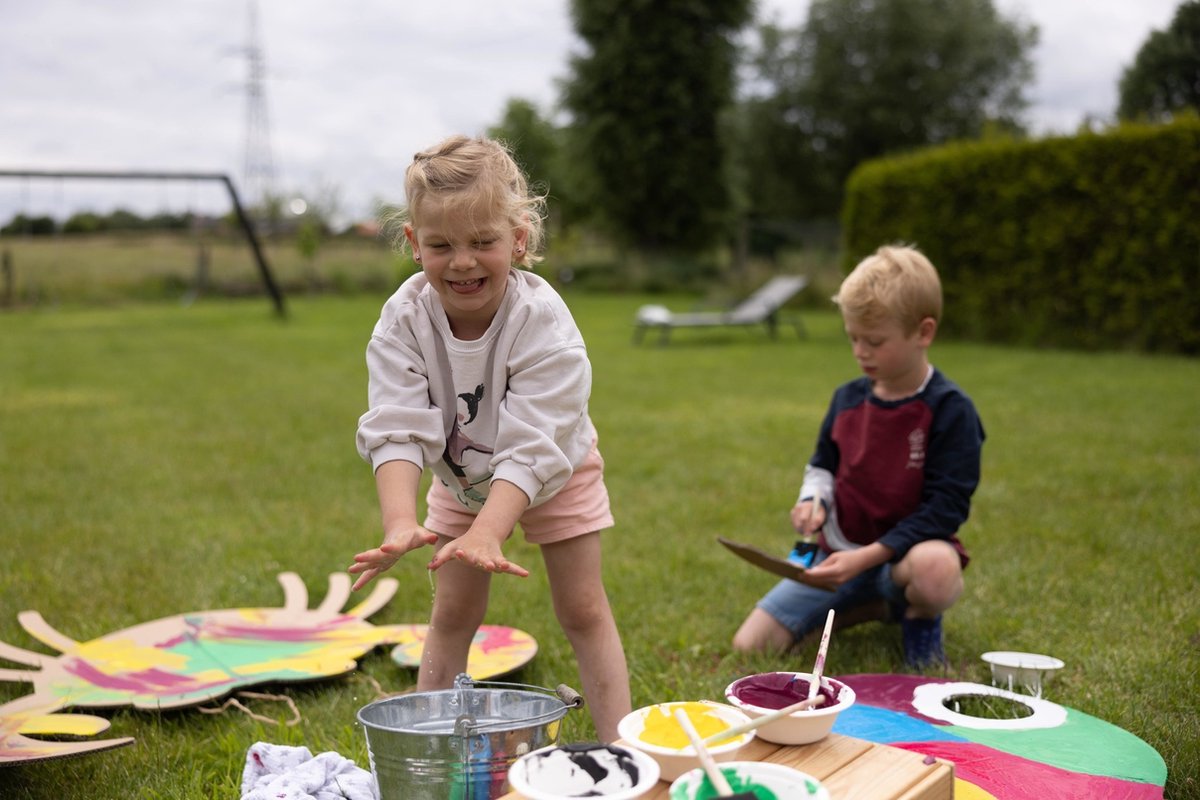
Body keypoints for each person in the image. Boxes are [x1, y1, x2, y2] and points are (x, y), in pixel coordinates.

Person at [349, 135, 632, 741]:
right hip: (461, 478)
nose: (463, 262)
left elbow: (536, 442)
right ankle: (428, 742)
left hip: (556, 470)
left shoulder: (543, 322)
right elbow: (396, 422)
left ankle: (619, 746)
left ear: (519, 239)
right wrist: (400, 521)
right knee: (451, 611)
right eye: (441, 245)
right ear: (413, 243)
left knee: (581, 609)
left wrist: (490, 529)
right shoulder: (404, 318)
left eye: (483, 242)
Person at [732, 245, 985, 668]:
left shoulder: (950, 409)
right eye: (852, 338)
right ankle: (870, 608)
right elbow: (822, 466)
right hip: (835, 557)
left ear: (923, 333)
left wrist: (867, 559)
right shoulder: (846, 399)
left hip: (905, 559)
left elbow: (946, 509)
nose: (860, 352)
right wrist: (813, 500)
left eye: (874, 341)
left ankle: (918, 621)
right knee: (751, 646)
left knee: (937, 570)